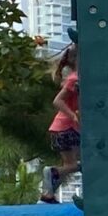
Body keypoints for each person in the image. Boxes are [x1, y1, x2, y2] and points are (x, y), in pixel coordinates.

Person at [40, 41, 81, 203]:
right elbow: (57, 101)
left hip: (61, 128)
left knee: (70, 164)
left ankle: (48, 194)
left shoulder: (74, 78)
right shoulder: (75, 79)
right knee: (75, 165)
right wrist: (73, 115)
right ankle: (52, 172)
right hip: (67, 127)